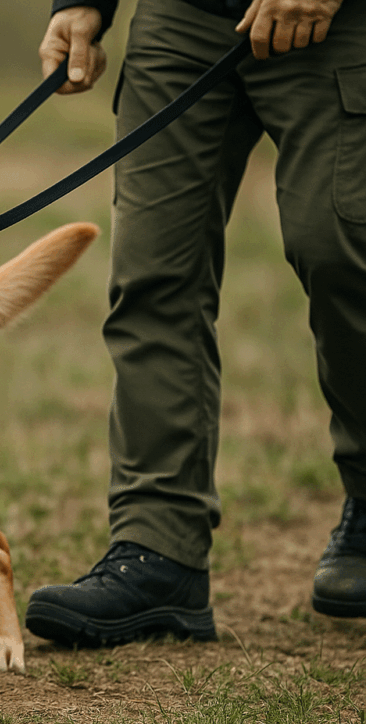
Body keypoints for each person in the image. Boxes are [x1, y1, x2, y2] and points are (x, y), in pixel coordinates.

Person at [24, 0, 366, 647]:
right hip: (181, 20)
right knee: (153, 276)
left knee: (340, 252)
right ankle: (159, 550)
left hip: (337, 23)